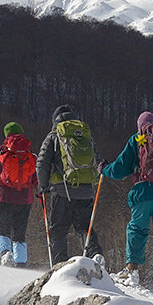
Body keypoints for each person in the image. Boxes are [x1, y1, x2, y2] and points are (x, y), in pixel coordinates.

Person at [102, 111, 153, 286]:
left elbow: (120, 168)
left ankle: (131, 268)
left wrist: (104, 169)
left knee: (137, 229)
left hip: (144, 192)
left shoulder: (138, 139)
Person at [37, 103, 104, 266]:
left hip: (62, 191)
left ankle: (60, 266)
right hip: (86, 190)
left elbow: (42, 164)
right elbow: (96, 159)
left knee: (58, 230)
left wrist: (43, 186)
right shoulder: (84, 136)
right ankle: (95, 256)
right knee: (84, 228)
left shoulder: (54, 136)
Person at [0, 121, 37, 266]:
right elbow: (36, 178)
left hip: (3, 196)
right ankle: (21, 263)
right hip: (25, 199)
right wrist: (41, 195)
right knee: (20, 234)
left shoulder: (0, 151)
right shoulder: (29, 153)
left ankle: (5, 254)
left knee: (2, 229)